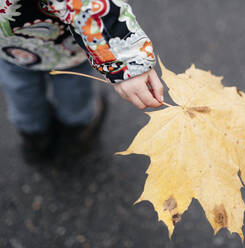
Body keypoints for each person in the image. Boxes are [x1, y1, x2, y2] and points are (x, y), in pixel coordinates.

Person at [0, 0, 164, 163]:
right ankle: (77, 134)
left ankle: (34, 138)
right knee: (73, 87)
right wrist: (125, 62)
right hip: (64, 47)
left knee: (20, 88)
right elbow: (87, 4)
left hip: (11, 47)